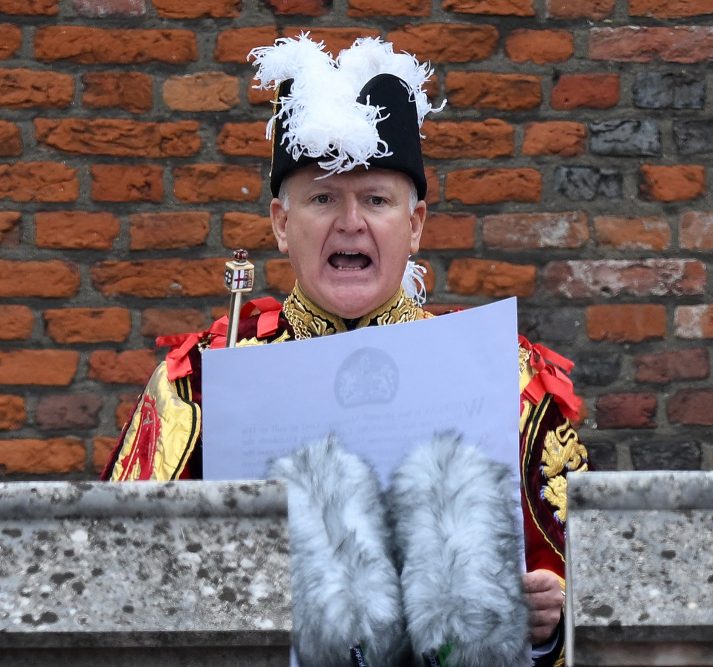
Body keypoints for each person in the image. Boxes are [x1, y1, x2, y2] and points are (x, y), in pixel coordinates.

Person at [102, 34, 588, 666]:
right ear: (282, 223)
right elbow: (116, 581)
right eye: (324, 198)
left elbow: (600, 595)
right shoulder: (194, 387)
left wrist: (549, 623)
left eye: (377, 200)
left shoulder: (510, 380)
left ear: (414, 226)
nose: (351, 222)